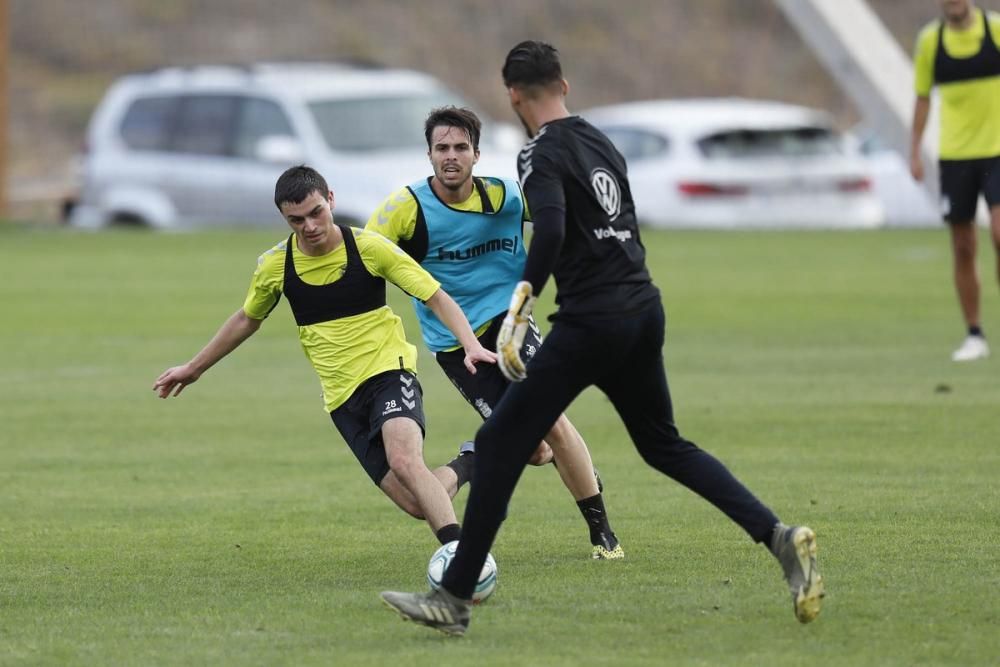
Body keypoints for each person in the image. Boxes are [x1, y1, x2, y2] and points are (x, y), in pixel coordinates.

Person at [380, 41, 824, 635]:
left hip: (592, 320)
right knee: (664, 445)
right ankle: (779, 536)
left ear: (513, 96)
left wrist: (521, 305)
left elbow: (553, 229)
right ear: (562, 84)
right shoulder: (600, 140)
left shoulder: (538, 153)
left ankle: (453, 600)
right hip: (643, 305)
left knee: (505, 438)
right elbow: (624, 223)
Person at [153, 165, 496, 546]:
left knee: (404, 460)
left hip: (388, 370)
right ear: (284, 218)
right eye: (296, 220)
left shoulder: (369, 248)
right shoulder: (276, 266)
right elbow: (247, 319)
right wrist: (194, 368)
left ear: (330, 199)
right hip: (341, 398)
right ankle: (475, 459)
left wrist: (471, 343)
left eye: (316, 212)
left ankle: (460, 560)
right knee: (418, 503)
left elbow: (434, 295)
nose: (310, 226)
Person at [365, 105, 624, 560]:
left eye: (460, 147)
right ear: (428, 154)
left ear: (477, 154)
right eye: (442, 148)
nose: (451, 156)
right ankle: (474, 457)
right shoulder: (404, 210)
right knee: (535, 450)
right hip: (455, 346)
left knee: (552, 421)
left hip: (511, 327)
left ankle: (603, 534)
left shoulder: (506, 196)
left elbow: (560, 220)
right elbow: (363, 259)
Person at [910, 0, 1000, 362]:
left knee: (999, 233)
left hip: (997, 151)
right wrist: (914, 150)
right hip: (955, 157)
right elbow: (921, 98)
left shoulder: (995, 31)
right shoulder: (931, 41)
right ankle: (975, 334)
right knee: (963, 245)